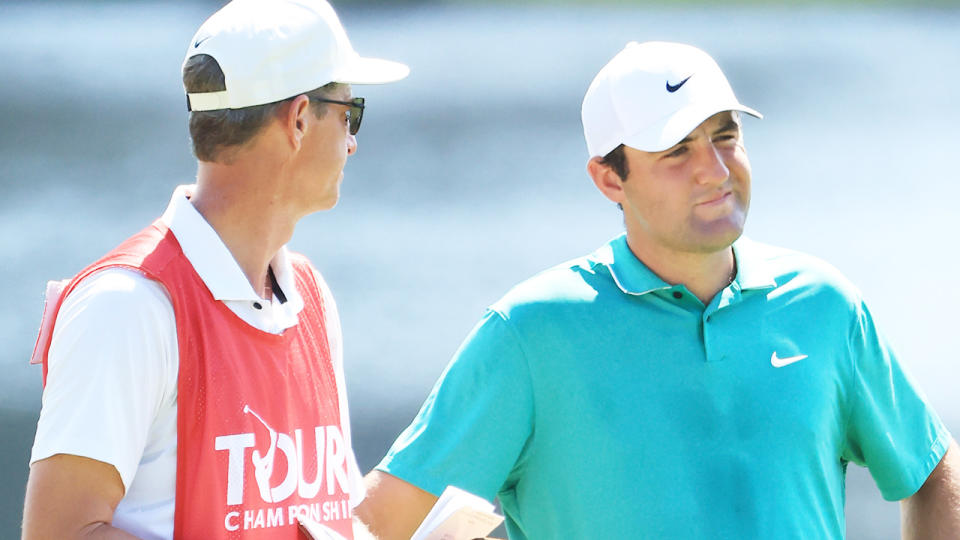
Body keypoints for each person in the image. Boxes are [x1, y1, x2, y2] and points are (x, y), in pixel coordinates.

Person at [355, 41, 960, 539]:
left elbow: (933, 473)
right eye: (677, 151)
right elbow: (377, 527)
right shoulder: (531, 334)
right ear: (608, 178)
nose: (716, 171)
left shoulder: (826, 306)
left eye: (726, 136)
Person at [22, 1, 407, 538]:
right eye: (349, 113)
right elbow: (58, 533)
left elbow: (327, 518)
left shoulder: (312, 300)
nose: (352, 140)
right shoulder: (126, 306)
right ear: (298, 119)